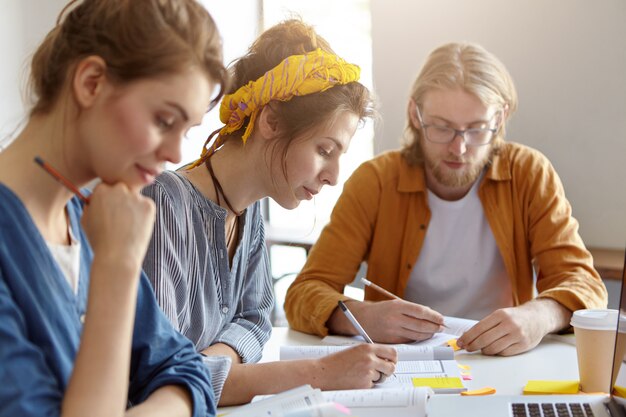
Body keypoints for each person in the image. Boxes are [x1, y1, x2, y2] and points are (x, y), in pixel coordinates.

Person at [284, 42, 608, 357]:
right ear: (415, 114)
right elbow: (305, 292)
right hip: (403, 366)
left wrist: (540, 315)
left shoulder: (529, 173)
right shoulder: (376, 182)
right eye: (442, 127)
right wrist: (361, 315)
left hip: (502, 360)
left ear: (500, 119)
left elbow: (585, 285)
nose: (459, 148)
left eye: (477, 129)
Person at [141, 19, 397, 406]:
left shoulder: (250, 209)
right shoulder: (163, 205)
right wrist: (322, 374)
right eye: (325, 151)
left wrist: (203, 366)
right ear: (271, 121)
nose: (332, 177)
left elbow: (257, 321)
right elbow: (160, 381)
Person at [0, 1, 228, 416]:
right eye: (164, 119)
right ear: (91, 83)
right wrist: (118, 268)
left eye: (187, 130)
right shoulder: (107, 244)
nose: (177, 153)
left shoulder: (89, 219)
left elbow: (187, 371)